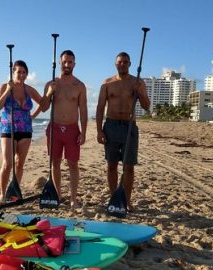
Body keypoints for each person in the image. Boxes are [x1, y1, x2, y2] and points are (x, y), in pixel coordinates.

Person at [95, 52, 150, 211]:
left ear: (130, 64)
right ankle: (114, 197)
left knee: (129, 166)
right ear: (115, 64)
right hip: (111, 125)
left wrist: (139, 91)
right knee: (111, 164)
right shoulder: (107, 83)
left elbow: (146, 106)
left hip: (129, 126)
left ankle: (126, 200)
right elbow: (100, 108)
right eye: (120, 62)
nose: (122, 64)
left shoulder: (137, 82)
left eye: (125, 62)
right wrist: (99, 130)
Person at [35, 50, 88, 209]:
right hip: (54, 128)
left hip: (72, 129)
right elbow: (44, 108)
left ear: (74, 64)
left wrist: (83, 132)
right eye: (64, 62)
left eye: (70, 62)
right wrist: (50, 93)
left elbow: (83, 111)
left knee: (73, 164)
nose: (67, 65)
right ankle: (57, 195)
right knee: (55, 162)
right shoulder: (51, 83)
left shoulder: (79, 86)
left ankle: (73, 199)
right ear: (60, 63)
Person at [0, 60, 51, 202]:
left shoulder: (29, 90)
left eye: (24, 72)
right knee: (7, 164)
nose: (21, 75)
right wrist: (8, 90)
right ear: (13, 72)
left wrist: (48, 94)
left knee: (20, 163)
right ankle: (2, 193)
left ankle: (15, 191)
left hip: (25, 130)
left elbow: (44, 106)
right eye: (19, 72)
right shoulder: (4, 87)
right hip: (9, 130)